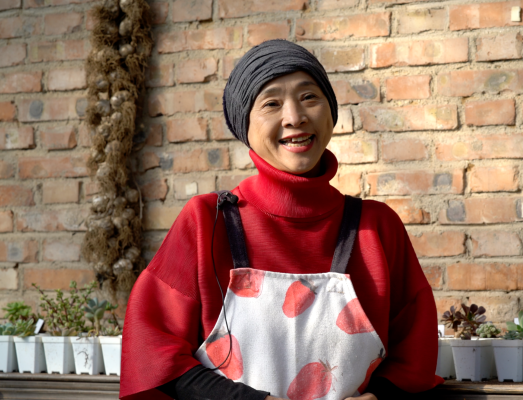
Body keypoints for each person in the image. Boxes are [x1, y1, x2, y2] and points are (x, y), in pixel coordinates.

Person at [120, 40, 443, 400]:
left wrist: (380, 396)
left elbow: (414, 353)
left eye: (309, 97)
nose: (294, 117)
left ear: (331, 112)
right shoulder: (207, 222)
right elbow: (154, 352)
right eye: (271, 103)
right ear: (244, 125)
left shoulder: (376, 227)